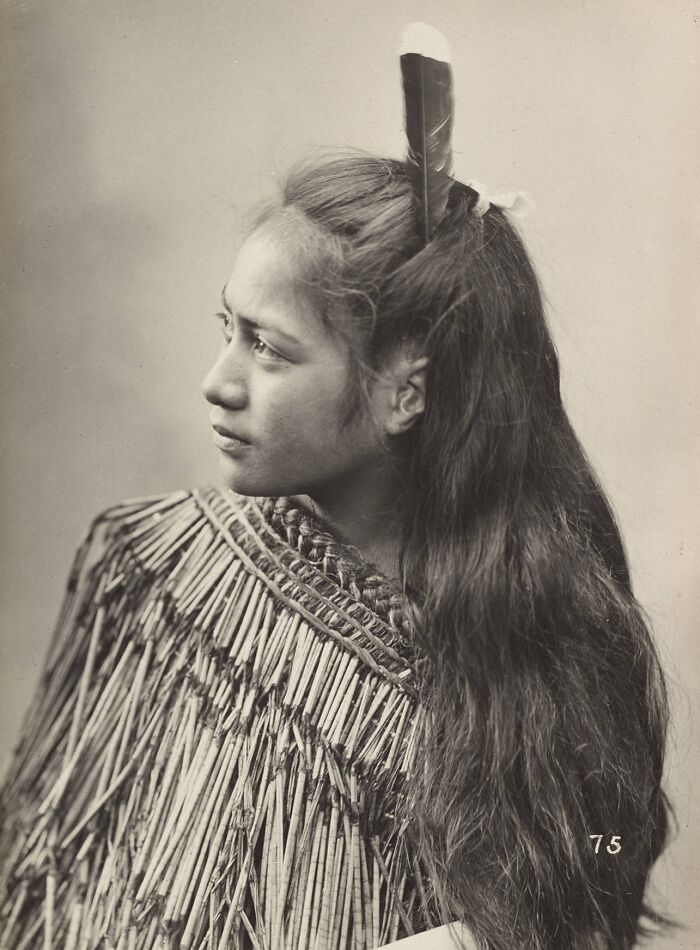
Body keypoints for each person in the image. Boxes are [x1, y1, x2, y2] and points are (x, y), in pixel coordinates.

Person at [0, 151, 671, 950]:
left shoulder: (550, 664)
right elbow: (33, 877)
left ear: (404, 390)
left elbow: (602, 869)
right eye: (228, 329)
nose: (219, 381)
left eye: (269, 349)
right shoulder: (147, 566)